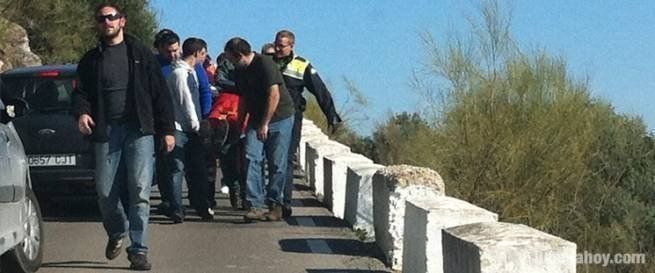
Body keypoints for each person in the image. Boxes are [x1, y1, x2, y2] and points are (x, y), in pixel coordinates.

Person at [72, 4, 175, 270]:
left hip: (139, 129)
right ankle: (117, 230)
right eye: (101, 18)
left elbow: (160, 93)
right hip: (106, 131)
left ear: (122, 22)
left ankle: (138, 249)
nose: (106, 22)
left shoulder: (141, 54)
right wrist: (82, 113)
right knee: (105, 193)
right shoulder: (91, 59)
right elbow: (80, 93)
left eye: (111, 17)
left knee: (140, 190)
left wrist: (167, 130)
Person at [224, 37, 295, 221]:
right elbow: (244, 99)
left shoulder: (265, 64)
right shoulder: (240, 71)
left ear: (239, 55)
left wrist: (265, 123)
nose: (230, 62)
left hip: (280, 117)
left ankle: (275, 204)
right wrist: (240, 124)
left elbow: (274, 95)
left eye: (231, 58)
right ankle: (255, 204)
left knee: (277, 162)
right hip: (256, 119)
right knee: (251, 156)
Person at [272, 30, 342, 218]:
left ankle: (283, 202)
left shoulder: (301, 65)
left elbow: (320, 90)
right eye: (276, 44)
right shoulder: (267, 61)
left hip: (292, 117)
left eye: (282, 45)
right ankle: (269, 201)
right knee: (267, 160)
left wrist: (331, 114)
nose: (278, 48)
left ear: (292, 46)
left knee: (285, 159)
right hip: (268, 117)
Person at [153, 29, 215, 219]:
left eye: (175, 50)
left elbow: (203, 92)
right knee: (173, 167)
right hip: (171, 127)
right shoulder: (156, 68)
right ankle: (174, 205)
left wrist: (204, 118)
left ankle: (199, 204)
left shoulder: (193, 68)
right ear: (159, 50)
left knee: (197, 168)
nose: (173, 54)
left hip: (193, 125)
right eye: (168, 51)